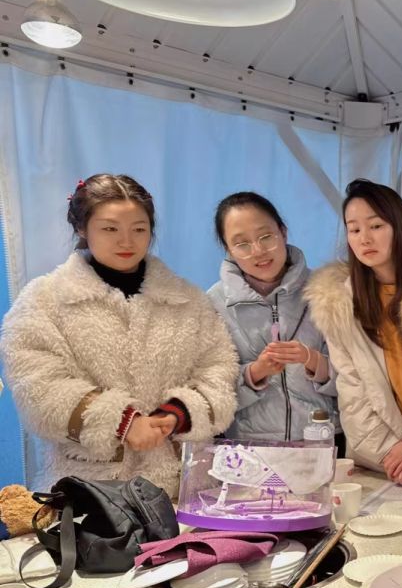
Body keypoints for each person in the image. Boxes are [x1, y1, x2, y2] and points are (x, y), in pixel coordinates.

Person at [0, 174, 238, 497]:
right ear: (82, 228)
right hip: (90, 492)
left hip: (180, 490)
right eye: (110, 229)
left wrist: (178, 414)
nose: (127, 241)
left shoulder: (188, 300)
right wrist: (121, 422)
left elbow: (219, 368)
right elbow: (37, 388)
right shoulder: (43, 301)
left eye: (139, 229)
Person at [306, 179, 402, 485]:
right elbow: (352, 394)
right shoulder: (340, 304)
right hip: (387, 464)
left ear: (399, 226)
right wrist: (392, 456)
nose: (365, 239)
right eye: (354, 229)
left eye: (376, 226)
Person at [208, 192, 337, 443]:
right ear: (228, 249)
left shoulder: (327, 290)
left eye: (266, 237)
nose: (258, 251)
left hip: (323, 440)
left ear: (283, 232)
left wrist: (313, 361)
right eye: (242, 244)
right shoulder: (214, 303)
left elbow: (357, 376)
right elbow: (209, 389)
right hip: (247, 448)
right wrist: (254, 373)